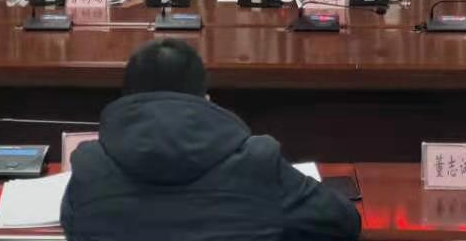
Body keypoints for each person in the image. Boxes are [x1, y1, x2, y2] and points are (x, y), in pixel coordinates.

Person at [62, 39, 360, 241]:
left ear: (128, 100)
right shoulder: (258, 161)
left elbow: (73, 227)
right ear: (205, 99)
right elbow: (343, 222)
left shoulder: (90, 166)